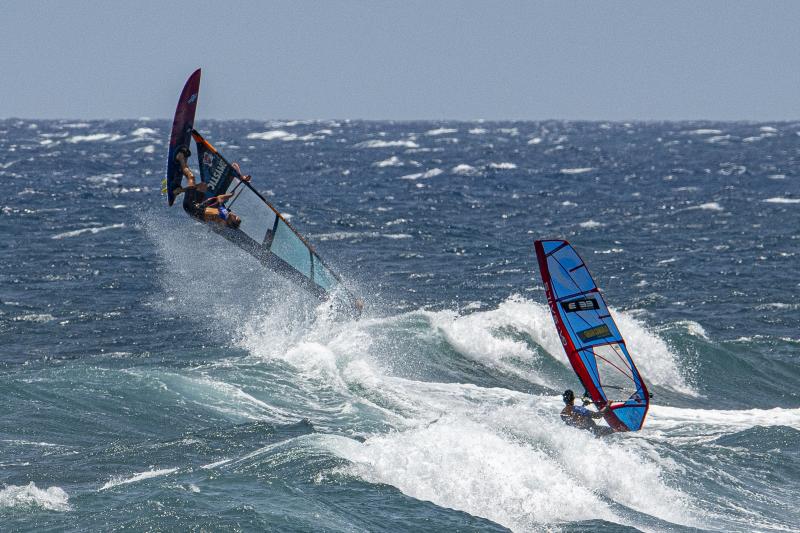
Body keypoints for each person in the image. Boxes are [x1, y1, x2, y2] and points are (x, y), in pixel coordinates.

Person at [173, 146, 245, 228]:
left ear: (231, 221)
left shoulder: (221, 216)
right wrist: (230, 196)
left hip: (190, 206)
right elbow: (219, 198)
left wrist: (228, 197)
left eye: (235, 217)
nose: (235, 215)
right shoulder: (224, 216)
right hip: (198, 204)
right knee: (203, 186)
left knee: (191, 178)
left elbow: (216, 202)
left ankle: (180, 157)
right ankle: (178, 190)